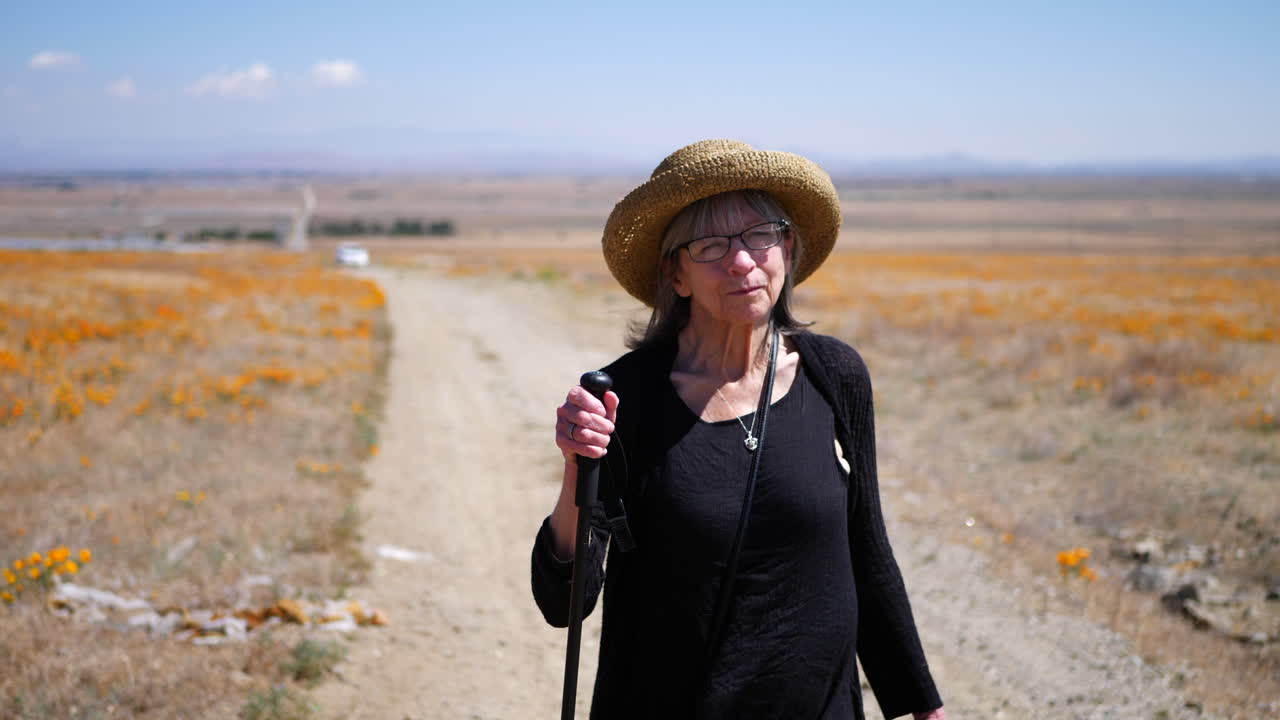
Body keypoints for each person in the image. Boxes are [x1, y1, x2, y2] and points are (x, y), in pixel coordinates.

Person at [531, 139, 946, 720]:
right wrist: (579, 471)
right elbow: (562, 603)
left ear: (788, 248)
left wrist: (919, 705)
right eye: (711, 245)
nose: (743, 261)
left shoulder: (835, 375)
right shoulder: (625, 398)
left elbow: (866, 548)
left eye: (761, 234)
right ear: (674, 274)